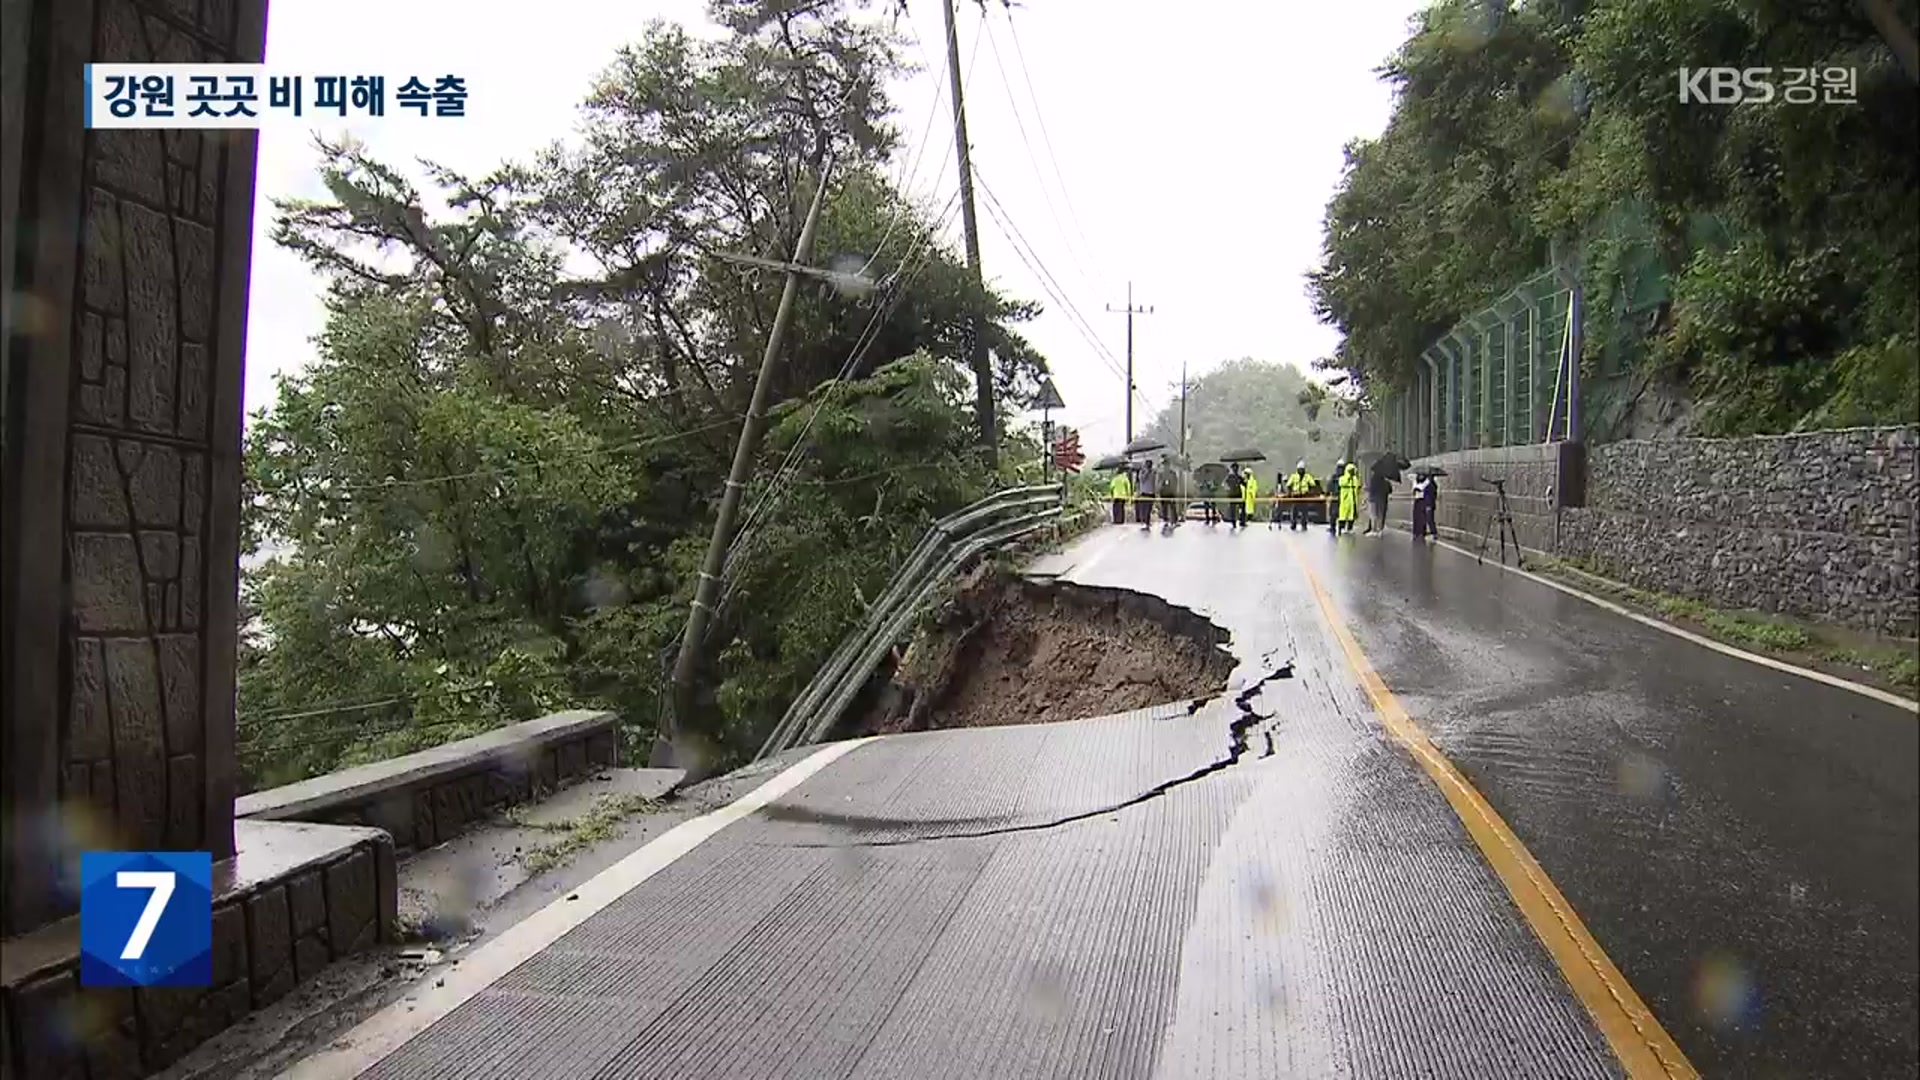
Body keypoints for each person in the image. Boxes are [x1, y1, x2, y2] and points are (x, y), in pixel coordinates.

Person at [1282, 461, 1316, 530]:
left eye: (1302, 469)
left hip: (1304, 496)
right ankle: (1293, 524)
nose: (1301, 470)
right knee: (1294, 510)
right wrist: (1290, 493)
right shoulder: (1294, 476)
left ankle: (1304, 524)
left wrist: (1309, 492)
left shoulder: (1308, 476)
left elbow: (1313, 485)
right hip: (1296, 496)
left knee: (1304, 511)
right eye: (1299, 469)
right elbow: (1288, 485)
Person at [1365, 465, 1393, 535]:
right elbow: (1389, 490)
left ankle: (1374, 530)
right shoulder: (1385, 481)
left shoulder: (1373, 480)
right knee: (1381, 515)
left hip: (1373, 499)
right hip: (1382, 500)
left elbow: (1371, 489)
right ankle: (1380, 529)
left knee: (1373, 515)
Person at [1337, 461, 1361, 534]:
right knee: (1343, 515)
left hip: (1353, 499)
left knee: (1352, 515)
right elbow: (1342, 483)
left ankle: (1350, 528)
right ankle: (1342, 528)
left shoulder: (1355, 479)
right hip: (1345, 499)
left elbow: (1358, 486)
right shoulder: (1342, 478)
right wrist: (1348, 477)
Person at [1133, 462, 1155, 527]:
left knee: (1149, 509)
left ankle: (1147, 521)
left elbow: (1155, 481)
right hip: (1144, 493)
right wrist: (1147, 472)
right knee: (1144, 508)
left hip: (1151, 492)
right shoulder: (1142, 472)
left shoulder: (1153, 472)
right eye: (1147, 465)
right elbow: (1142, 479)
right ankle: (1144, 522)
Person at [1326, 459, 1344, 534]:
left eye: (1341, 468)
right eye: (1339, 468)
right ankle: (1333, 527)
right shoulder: (1334, 477)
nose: (1340, 470)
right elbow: (1329, 486)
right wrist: (1328, 493)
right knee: (1333, 514)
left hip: (1342, 497)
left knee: (1341, 514)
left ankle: (1340, 527)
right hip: (1335, 497)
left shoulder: (1345, 477)